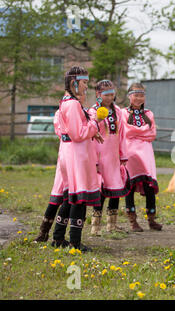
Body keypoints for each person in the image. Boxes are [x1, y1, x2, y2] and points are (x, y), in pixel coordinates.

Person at [55, 66, 104, 251]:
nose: (86, 87)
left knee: (71, 196)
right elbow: (78, 133)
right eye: (84, 83)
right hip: (76, 153)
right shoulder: (72, 104)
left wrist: (91, 123)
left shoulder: (67, 102)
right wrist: (95, 123)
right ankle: (75, 241)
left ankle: (58, 237)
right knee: (78, 197)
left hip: (71, 152)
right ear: (74, 83)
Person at [89, 80, 129, 236]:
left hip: (114, 156)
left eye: (112, 94)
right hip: (100, 154)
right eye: (106, 94)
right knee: (101, 190)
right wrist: (94, 160)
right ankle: (95, 226)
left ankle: (112, 225)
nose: (110, 97)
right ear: (99, 94)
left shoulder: (117, 110)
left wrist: (123, 153)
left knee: (116, 187)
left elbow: (122, 134)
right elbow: (91, 136)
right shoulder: (93, 111)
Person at [120, 83, 162, 232]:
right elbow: (126, 131)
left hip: (146, 153)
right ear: (130, 96)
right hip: (130, 152)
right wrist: (142, 131)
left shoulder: (149, 114)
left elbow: (152, 134)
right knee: (129, 186)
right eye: (136, 95)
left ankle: (151, 219)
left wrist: (136, 132)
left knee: (149, 186)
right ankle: (133, 221)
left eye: (142, 95)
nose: (139, 98)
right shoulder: (123, 113)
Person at [33, 109, 71, 243]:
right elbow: (61, 132)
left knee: (71, 200)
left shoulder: (83, 111)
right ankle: (43, 232)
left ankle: (60, 236)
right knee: (56, 197)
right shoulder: (60, 113)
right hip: (66, 158)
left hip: (76, 161)